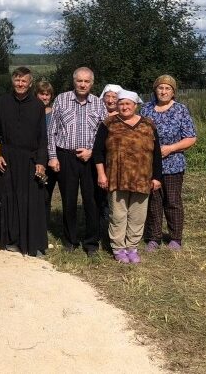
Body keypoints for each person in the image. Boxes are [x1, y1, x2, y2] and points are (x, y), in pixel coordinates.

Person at [93, 90, 162, 264]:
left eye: (128, 104)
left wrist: (156, 177)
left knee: (137, 216)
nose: (124, 107)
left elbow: (157, 154)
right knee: (118, 215)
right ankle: (118, 248)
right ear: (117, 105)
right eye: (121, 103)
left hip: (142, 178)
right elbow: (98, 152)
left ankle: (132, 247)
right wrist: (101, 174)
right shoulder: (108, 124)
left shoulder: (148, 124)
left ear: (135, 105)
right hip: (117, 177)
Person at [47, 67, 108, 255]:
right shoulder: (62, 99)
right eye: (79, 81)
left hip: (91, 159)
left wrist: (92, 152)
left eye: (86, 81)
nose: (82, 84)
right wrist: (52, 156)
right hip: (66, 156)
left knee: (92, 201)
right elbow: (52, 131)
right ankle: (70, 240)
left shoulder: (99, 104)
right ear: (74, 81)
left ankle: (91, 243)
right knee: (69, 200)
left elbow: (105, 135)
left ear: (92, 83)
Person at [0, 67, 48, 257]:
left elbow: (43, 137)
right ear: (12, 81)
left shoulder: (38, 106)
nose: (20, 84)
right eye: (17, 80)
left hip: (29, 159)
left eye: (24, 81)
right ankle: (10, 240)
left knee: (30, 201)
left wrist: (41, 161)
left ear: (30, 83)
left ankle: (32, 242)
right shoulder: (2, 102)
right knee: (8, 198)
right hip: (7, 157)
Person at [141, 74, 197, 251]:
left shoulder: (180, 110)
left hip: (173, 164)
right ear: (155, 89)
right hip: (150, 165)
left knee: (172, 201)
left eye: (167, 88)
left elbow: (190, 138)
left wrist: (170, 148)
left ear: (173, 92)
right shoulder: (146, 109)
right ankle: (154, 237)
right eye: (160, 88)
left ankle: (175, 238)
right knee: (153, 202)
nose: (163, 91)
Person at [35, 80, 58, 232]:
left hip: (51, 157)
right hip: (35, 157)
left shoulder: (55, 113)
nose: (44, 97)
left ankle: (44, 225)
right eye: (41, 94)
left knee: (46, 192)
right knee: (35, 191)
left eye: (47, 94)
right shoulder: (30, 112)